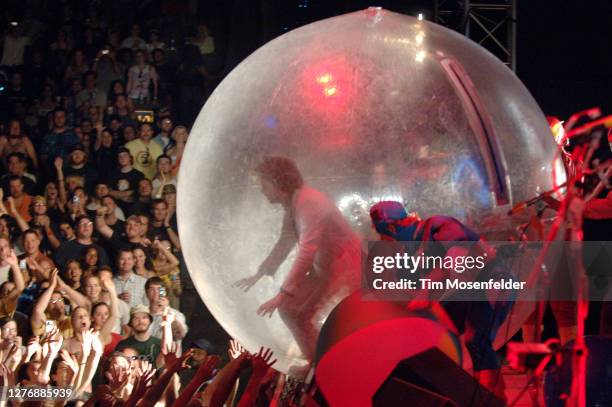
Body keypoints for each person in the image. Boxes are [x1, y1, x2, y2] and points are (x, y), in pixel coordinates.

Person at [368, 200, 513, 399]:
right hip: (465, 292)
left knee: (476, 339)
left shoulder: (439, 225)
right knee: (433, 334)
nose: (383, 241)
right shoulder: (407, 251)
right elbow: (406, 289)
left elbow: (458, 259)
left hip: (493, 281)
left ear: (392, 227)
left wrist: (426, 288)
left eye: (383, 235)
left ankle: (491, 399)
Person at [235, 156, 362, 362]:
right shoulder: (295, 202)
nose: (262, 190)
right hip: (327, 269)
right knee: (290, 310)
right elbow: (285, 242)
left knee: (298, 312)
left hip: (344, 270)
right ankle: (316, 358)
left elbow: (306, 251)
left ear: (277, 183)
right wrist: (259, 273)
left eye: (264, 184)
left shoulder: (308, 202)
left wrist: (283, 293)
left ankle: (321, 362)